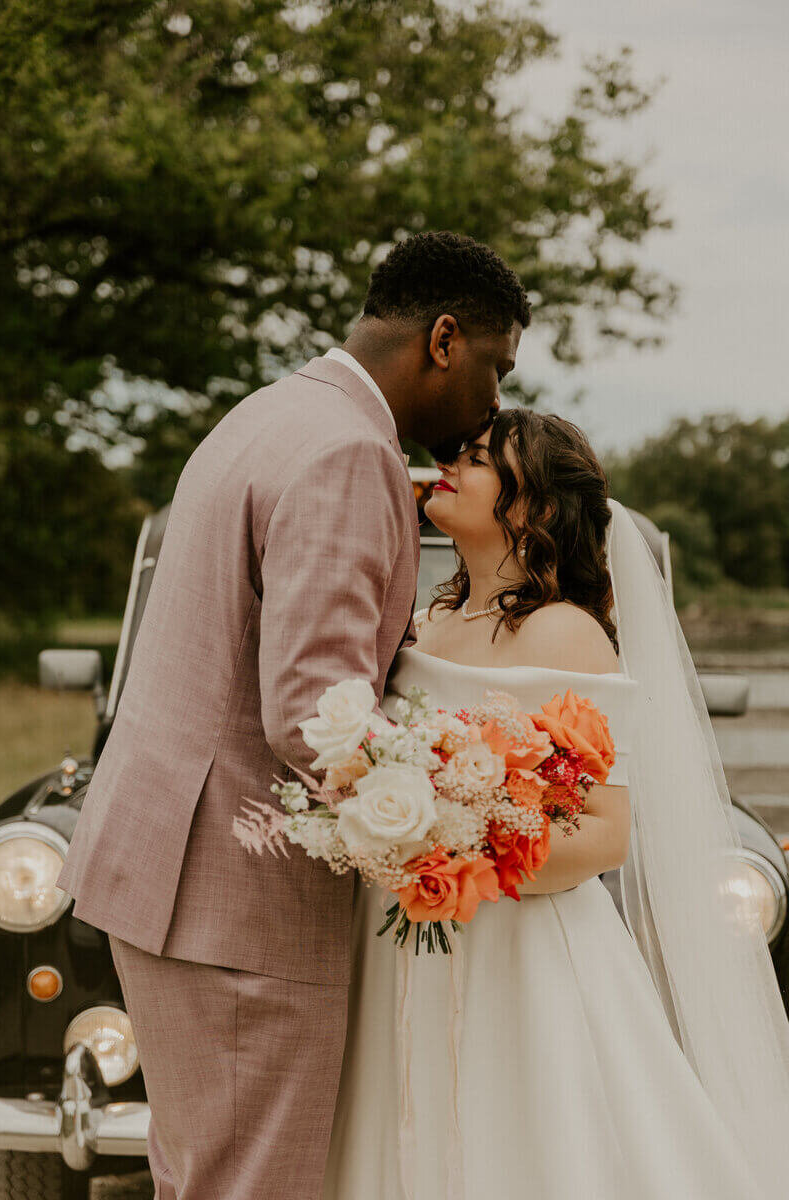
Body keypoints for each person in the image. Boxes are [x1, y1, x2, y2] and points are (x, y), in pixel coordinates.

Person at [54, 231, 529, 1199]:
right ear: (443, 339)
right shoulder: (349, 454)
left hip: (170, 879)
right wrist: (457, 817)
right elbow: (314, 713)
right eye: (494, 368)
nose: (494, 405)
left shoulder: (270, 414)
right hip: (238, 902)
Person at [322, 408, 789, 1200]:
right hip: (402, 942)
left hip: (519, 952)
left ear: (532, 506)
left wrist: (455, 843)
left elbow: (606, 834)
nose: (450, 465)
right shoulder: (428, 622)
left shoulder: (566, 633)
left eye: (476, 457)